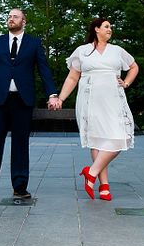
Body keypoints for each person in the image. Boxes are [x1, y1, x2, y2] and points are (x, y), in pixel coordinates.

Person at [0, 7, 59, 200]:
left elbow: (44, 70)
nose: (11, 19)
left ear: (24, 21)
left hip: (23, 100)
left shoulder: (34, 43)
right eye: (9, 16)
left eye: (15, 16)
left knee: (20, 144)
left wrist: (52, 94)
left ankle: (20, 187)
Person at [57, 17, 138, 201]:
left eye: (111, 27)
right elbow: (72, 78)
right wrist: (61, 98)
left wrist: (126, 82)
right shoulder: (82, 51)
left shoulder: (117, 51)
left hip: (114, 99)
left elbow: (133, 67)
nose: (110, 29)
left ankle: (91, 172)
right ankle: (104, 186)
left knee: (121, 137)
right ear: (96, 29)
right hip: (90, 99)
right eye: (107, 26)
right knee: (97, 140)